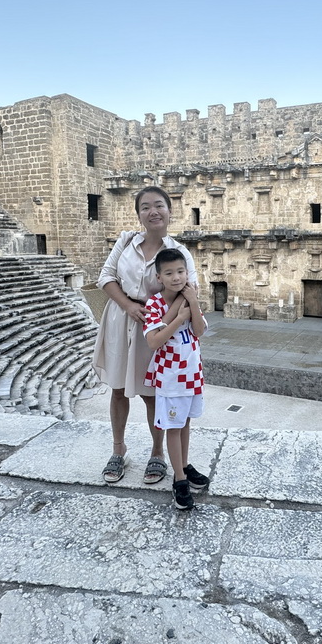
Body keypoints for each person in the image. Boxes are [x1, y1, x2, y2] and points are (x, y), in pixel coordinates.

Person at [91, 186, 197, 484]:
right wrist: (127, 305)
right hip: (119, 321)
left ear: (169, 210)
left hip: (154, 328)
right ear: (139, 214)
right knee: (118, 389)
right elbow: (106, 277)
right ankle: (118, 448)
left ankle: (157, 453)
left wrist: (159, 318)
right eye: (146, 207)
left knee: (152, 394)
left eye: (159, 205)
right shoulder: (126, 242)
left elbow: (191, 290)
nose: (153, 211)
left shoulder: (178, 251)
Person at [143, 248, 210, 510]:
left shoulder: (188, 296)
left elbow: (199, 330)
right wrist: (178, 316)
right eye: (169, 273)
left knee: (185, 423)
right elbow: (154, 341)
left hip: (192, 373)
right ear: (159, 277)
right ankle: (179, 480)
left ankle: (182, 464)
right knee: (173, 426)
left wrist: (192, 302)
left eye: (180, 271)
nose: (176, 277)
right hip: (171, 377)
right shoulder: (154, 304)